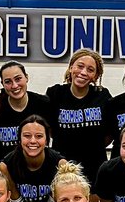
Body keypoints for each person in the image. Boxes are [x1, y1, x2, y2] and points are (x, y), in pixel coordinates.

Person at [45, 50, 113, 182]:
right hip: (63, 168)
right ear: (71, 68)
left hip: (95, 168)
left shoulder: (102, 96)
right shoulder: (55, 93)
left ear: (96, 75)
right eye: (80, 66)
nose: (83, 72)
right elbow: (49, 130)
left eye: (90, 69)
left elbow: (109, 135)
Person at [0, 61, 50, 166]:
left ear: (26, 78)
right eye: (8, 82)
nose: (14, 85)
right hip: (0, 171)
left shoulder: (43, 104)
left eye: (18, 79)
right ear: (2, 84)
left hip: (34, 169)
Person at [0, 115, 63, 202]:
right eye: (27, 136)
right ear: (19, 139)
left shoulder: (60, 164)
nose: (33, 141)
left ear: (47, 140)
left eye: (39, 136)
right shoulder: (6, 166)